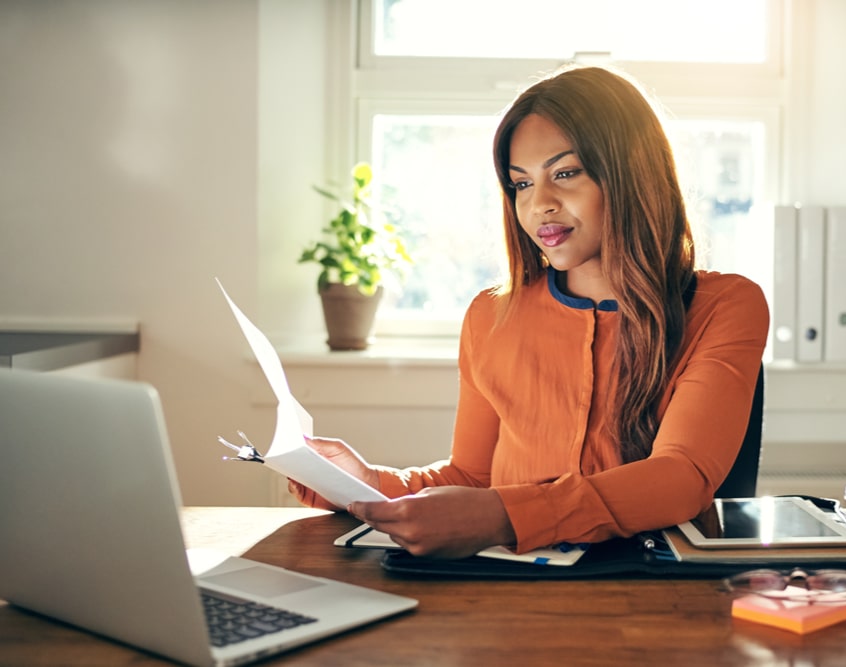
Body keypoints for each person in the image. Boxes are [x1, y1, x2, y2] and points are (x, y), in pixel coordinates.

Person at [288, 65, 769, 559]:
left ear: (632, 172)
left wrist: (502, 516)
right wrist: (368, 483)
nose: (539, 204)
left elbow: (680, 477)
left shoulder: (727, 305)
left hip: (652, 595)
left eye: (565, 174)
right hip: (508, 592)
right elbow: (472, 479)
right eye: (521, 184)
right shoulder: (490, 315)